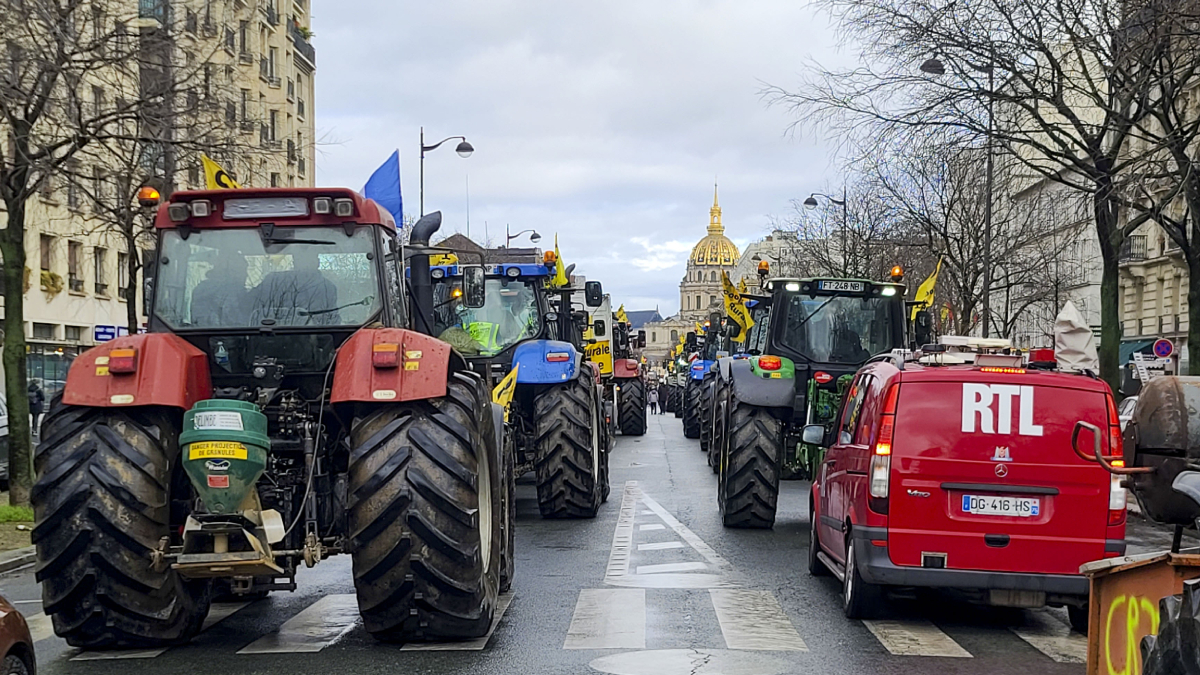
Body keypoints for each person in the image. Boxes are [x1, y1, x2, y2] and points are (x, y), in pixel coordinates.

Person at [252, 247, 339, 325]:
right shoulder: (272, 282)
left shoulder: (328, 288)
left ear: (317, 262)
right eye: (301, 259)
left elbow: (333, 320)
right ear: (294, 262)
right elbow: (246, 307)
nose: (305, 264)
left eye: (309, 258)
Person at [191, 254, 251, 327]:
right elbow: (236, 321)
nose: (246, 275)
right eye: (241, 271)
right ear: (229, 272)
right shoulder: (229, 292)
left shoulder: (202, 289)